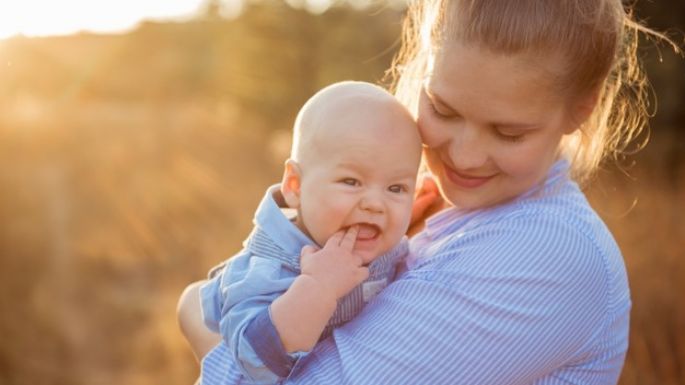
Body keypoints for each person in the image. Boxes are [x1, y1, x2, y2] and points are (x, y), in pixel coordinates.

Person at [179, 1, 677, 383]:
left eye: (508, 133)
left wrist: (196, 313)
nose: (462, 155)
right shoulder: (428, 210)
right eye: (443, 109)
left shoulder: (552, 255)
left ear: (580, 110)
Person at [179, 81, 422, 384]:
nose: (375, 203)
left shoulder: (391, 249)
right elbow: (253, 362)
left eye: (396, 188)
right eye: (351, 181)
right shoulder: (264, 270)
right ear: (295, 186)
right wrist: (317, 288)